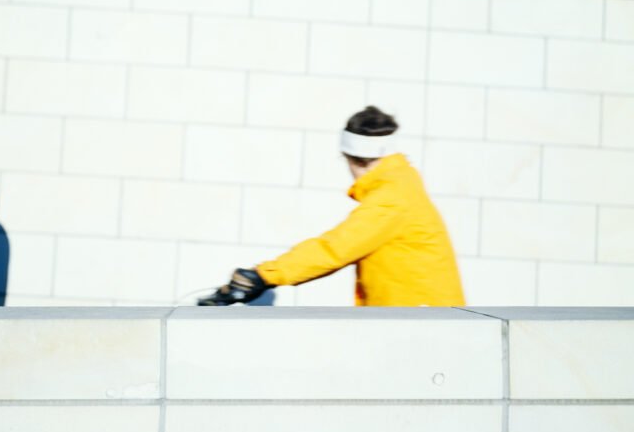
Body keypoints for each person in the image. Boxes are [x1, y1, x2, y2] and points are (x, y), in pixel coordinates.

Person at [198, 106, 465, 307]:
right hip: (421, 317)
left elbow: (336, 248)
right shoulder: (400, 183)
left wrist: (263, 276)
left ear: (351, 158)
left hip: (420, 324)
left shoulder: (392, 196)